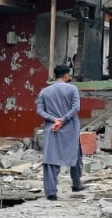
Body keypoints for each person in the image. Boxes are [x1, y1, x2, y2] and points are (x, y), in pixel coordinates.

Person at [36, 64, 84, 201]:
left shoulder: (44, 92)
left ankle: (51, 193)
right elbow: (76, 108)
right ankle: (77, 185)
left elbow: (40, 111)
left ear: (55, 76)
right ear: (66, 76)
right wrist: (63, 120)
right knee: (75, 156)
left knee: (51, 159)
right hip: (70, 128)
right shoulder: (73, 89)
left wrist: (54, 120)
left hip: (52, 128)